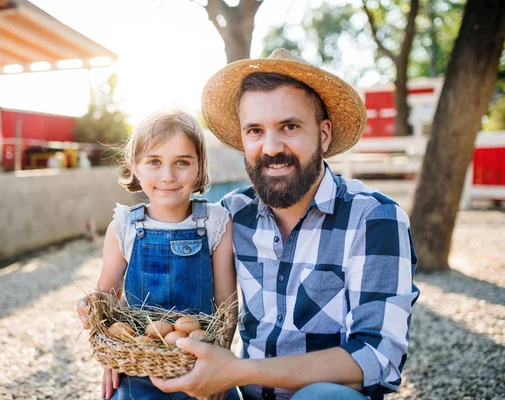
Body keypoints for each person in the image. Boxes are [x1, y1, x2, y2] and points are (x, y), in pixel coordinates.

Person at [149, 49, 420, 399]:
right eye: (255, 131)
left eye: (289, 127)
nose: (271, 147)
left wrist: (237, 370)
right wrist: (129, 342)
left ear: (323, 135)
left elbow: (378, 357)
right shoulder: (230, 215)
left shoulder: (374, 219)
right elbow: (162, 270)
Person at [75, 109, 238, 400]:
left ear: (200, 167)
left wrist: (221, 364)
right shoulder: (123, 226)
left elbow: (227, 307)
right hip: (138, 369)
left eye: (182, 162)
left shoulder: (215, 223)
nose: (168, 176)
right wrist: (95, 319)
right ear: (134, 166)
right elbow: (107, 298)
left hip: (200, 365)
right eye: (154, 161)